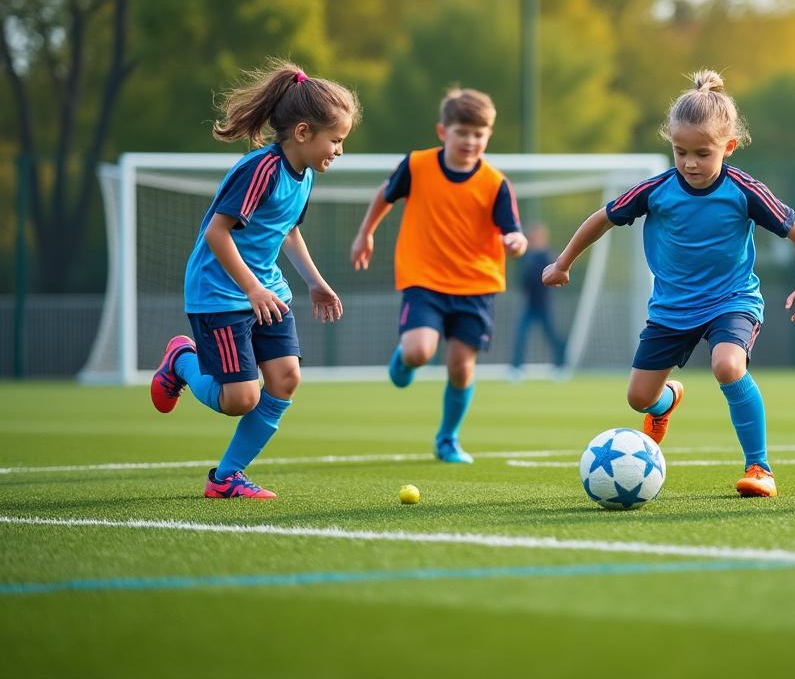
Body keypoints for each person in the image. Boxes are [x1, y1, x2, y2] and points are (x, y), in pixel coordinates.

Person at [543, 70, 795, 498]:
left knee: (728, 366)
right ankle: (667, 400)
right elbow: (601, 220)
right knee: (638, 399)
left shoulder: (744, 191)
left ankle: (759, 467)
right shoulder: (656, 191)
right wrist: (563, 263)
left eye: (702, 153)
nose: (690, 163)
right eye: (680, 151)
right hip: (672, 310)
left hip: (732, 300)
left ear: (727, 148)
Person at [149, 61, 358, 499]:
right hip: (220, 293)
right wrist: (251, 287)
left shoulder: (304, 176)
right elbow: (217, 232)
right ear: (303, 132)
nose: (339, 151)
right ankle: (181, 361)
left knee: (286, 379)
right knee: (240, 399)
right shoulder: (260, 169)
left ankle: (225, 477)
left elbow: (288, 232)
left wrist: (315, 282)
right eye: (336, 140)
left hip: (267, 293)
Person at [350, 88, 526, 464]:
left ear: (488, 136)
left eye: (479, 134)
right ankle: (403, 360)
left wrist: (516, 242)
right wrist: (366, 232)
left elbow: (514, 229)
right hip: (424, 279)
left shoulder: (496, 183)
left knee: (461, 367)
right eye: (462, 132)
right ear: (442, 131)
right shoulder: (416, 165)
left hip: (476, 287)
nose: (470, 141)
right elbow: (385, 194)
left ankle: (447, 439)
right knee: (419, 351)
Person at [509, 223, 567, 378]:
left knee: (552, 335)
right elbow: (523, 279)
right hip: (529, 304)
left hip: (544, 304)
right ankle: (515, 368)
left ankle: (561, 365)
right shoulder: (527, 257)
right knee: (521, 335)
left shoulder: (548, 256)